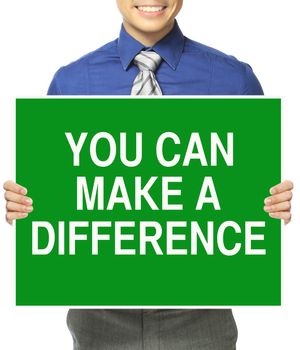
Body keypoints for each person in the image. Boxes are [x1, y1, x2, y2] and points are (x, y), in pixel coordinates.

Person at [3, 1, 294, 349]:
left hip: (201, 314)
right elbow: (60, 198)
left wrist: (272, 203)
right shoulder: (72, 81)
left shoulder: (234, 79)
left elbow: (250, 198)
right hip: (98, 313)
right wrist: (27, 204)